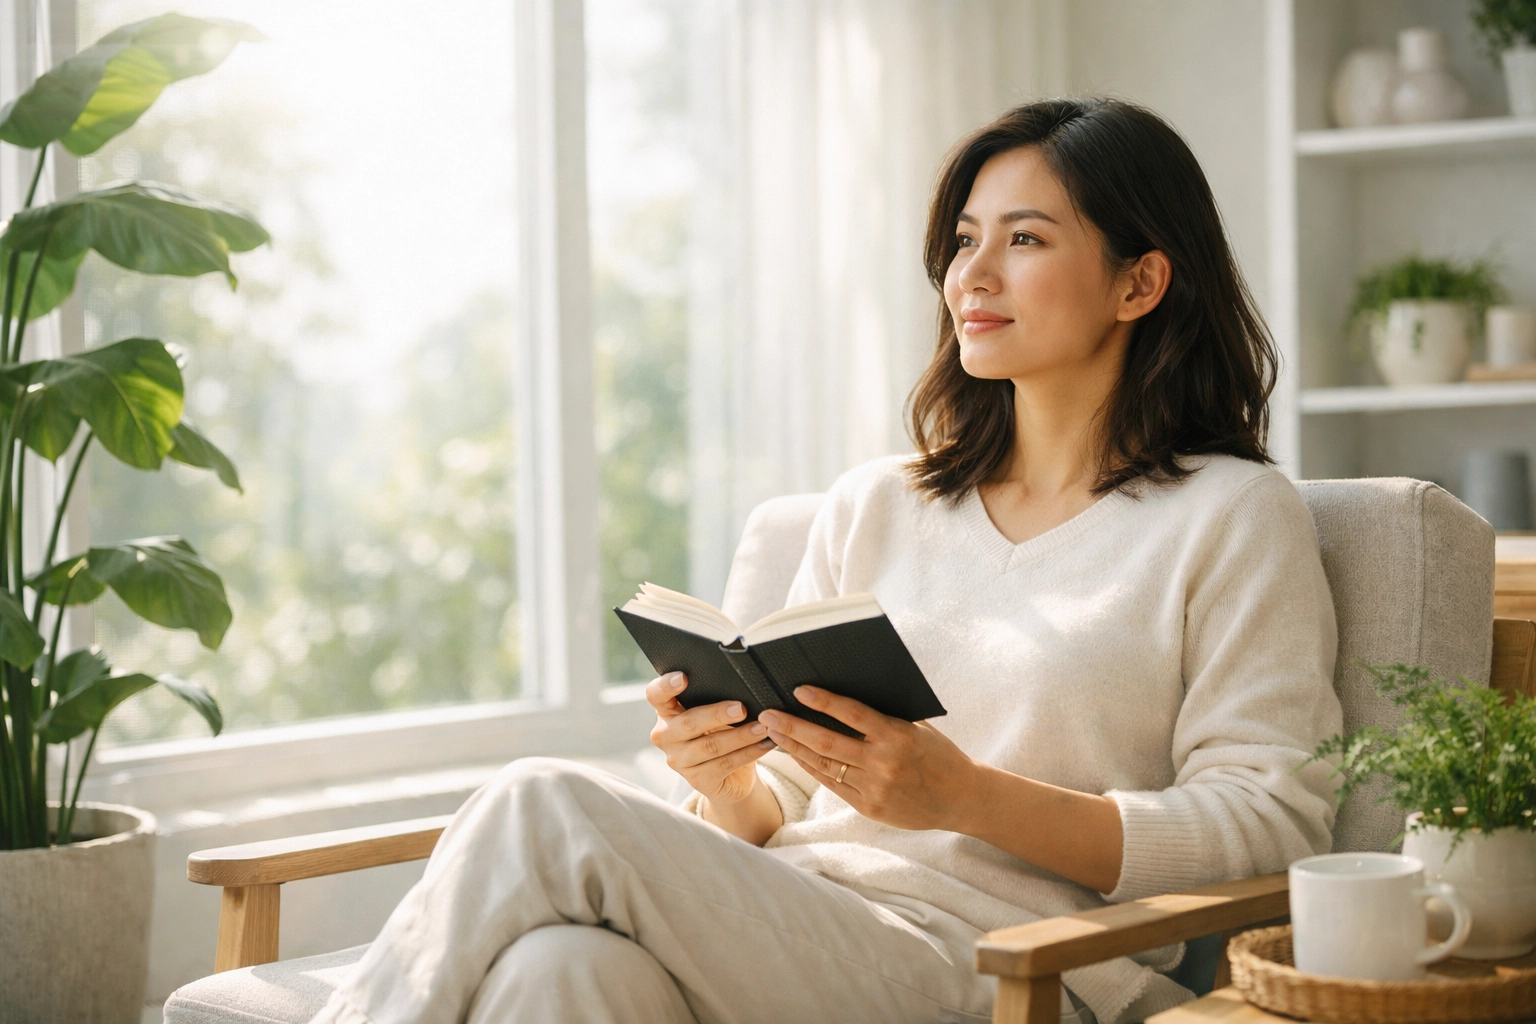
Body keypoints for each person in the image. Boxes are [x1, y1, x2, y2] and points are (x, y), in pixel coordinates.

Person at [311, 98, 1342, 1024]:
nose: (970, 276)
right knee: (559, 970)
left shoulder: (1233, 516)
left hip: (1011, 971)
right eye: (964, 239)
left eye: (1025, 239)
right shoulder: (879, 502)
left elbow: (1273, 822)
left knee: (545, 800)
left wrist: (966, 797)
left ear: (1141, 281)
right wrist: (726, 784)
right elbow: (781, 811)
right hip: (806, 921)